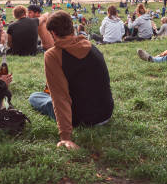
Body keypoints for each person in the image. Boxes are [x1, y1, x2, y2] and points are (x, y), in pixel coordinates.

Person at [28, 11, 113, 149]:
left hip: (81, 118)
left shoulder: (53, 55)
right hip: (105, 113)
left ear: (53, 34)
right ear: (71, 27)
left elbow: (60, 97)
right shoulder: (91, 46)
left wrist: (65, 137)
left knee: (34, 97)